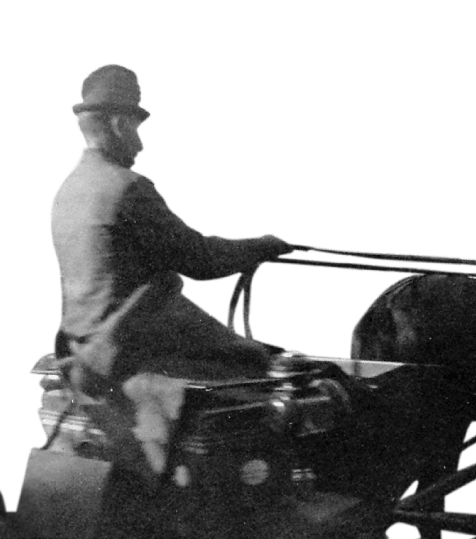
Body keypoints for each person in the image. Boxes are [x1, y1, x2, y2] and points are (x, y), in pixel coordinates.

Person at [49, 63, 294, 475]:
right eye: (138, 128)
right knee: (268, 371)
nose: (142, 145)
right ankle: (260, 493)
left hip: (87, 344)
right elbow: (199, 259)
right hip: (135, 339)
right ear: (118, 124)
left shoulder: (66, 191)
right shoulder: (129, 187)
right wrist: (262, 246)